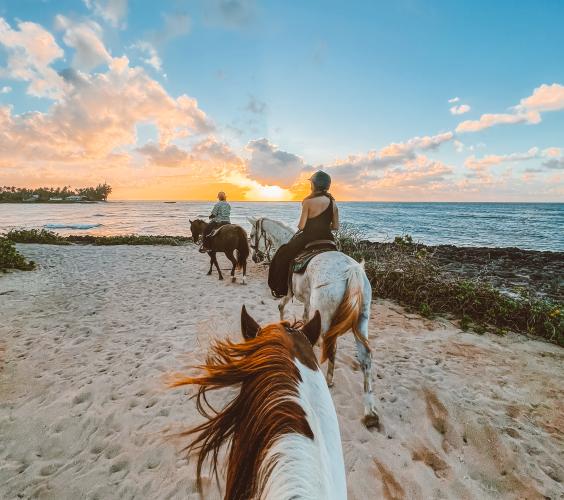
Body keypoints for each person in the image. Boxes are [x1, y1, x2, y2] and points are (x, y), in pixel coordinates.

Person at [268, 170, 339, 297]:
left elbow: (301, 226)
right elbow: (335, 226)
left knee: (283, 253)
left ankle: (280, 289)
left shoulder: (308, 202)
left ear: (314, 185)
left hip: (308, 238)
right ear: (327, 185)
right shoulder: (333, 202)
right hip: (328, 239)